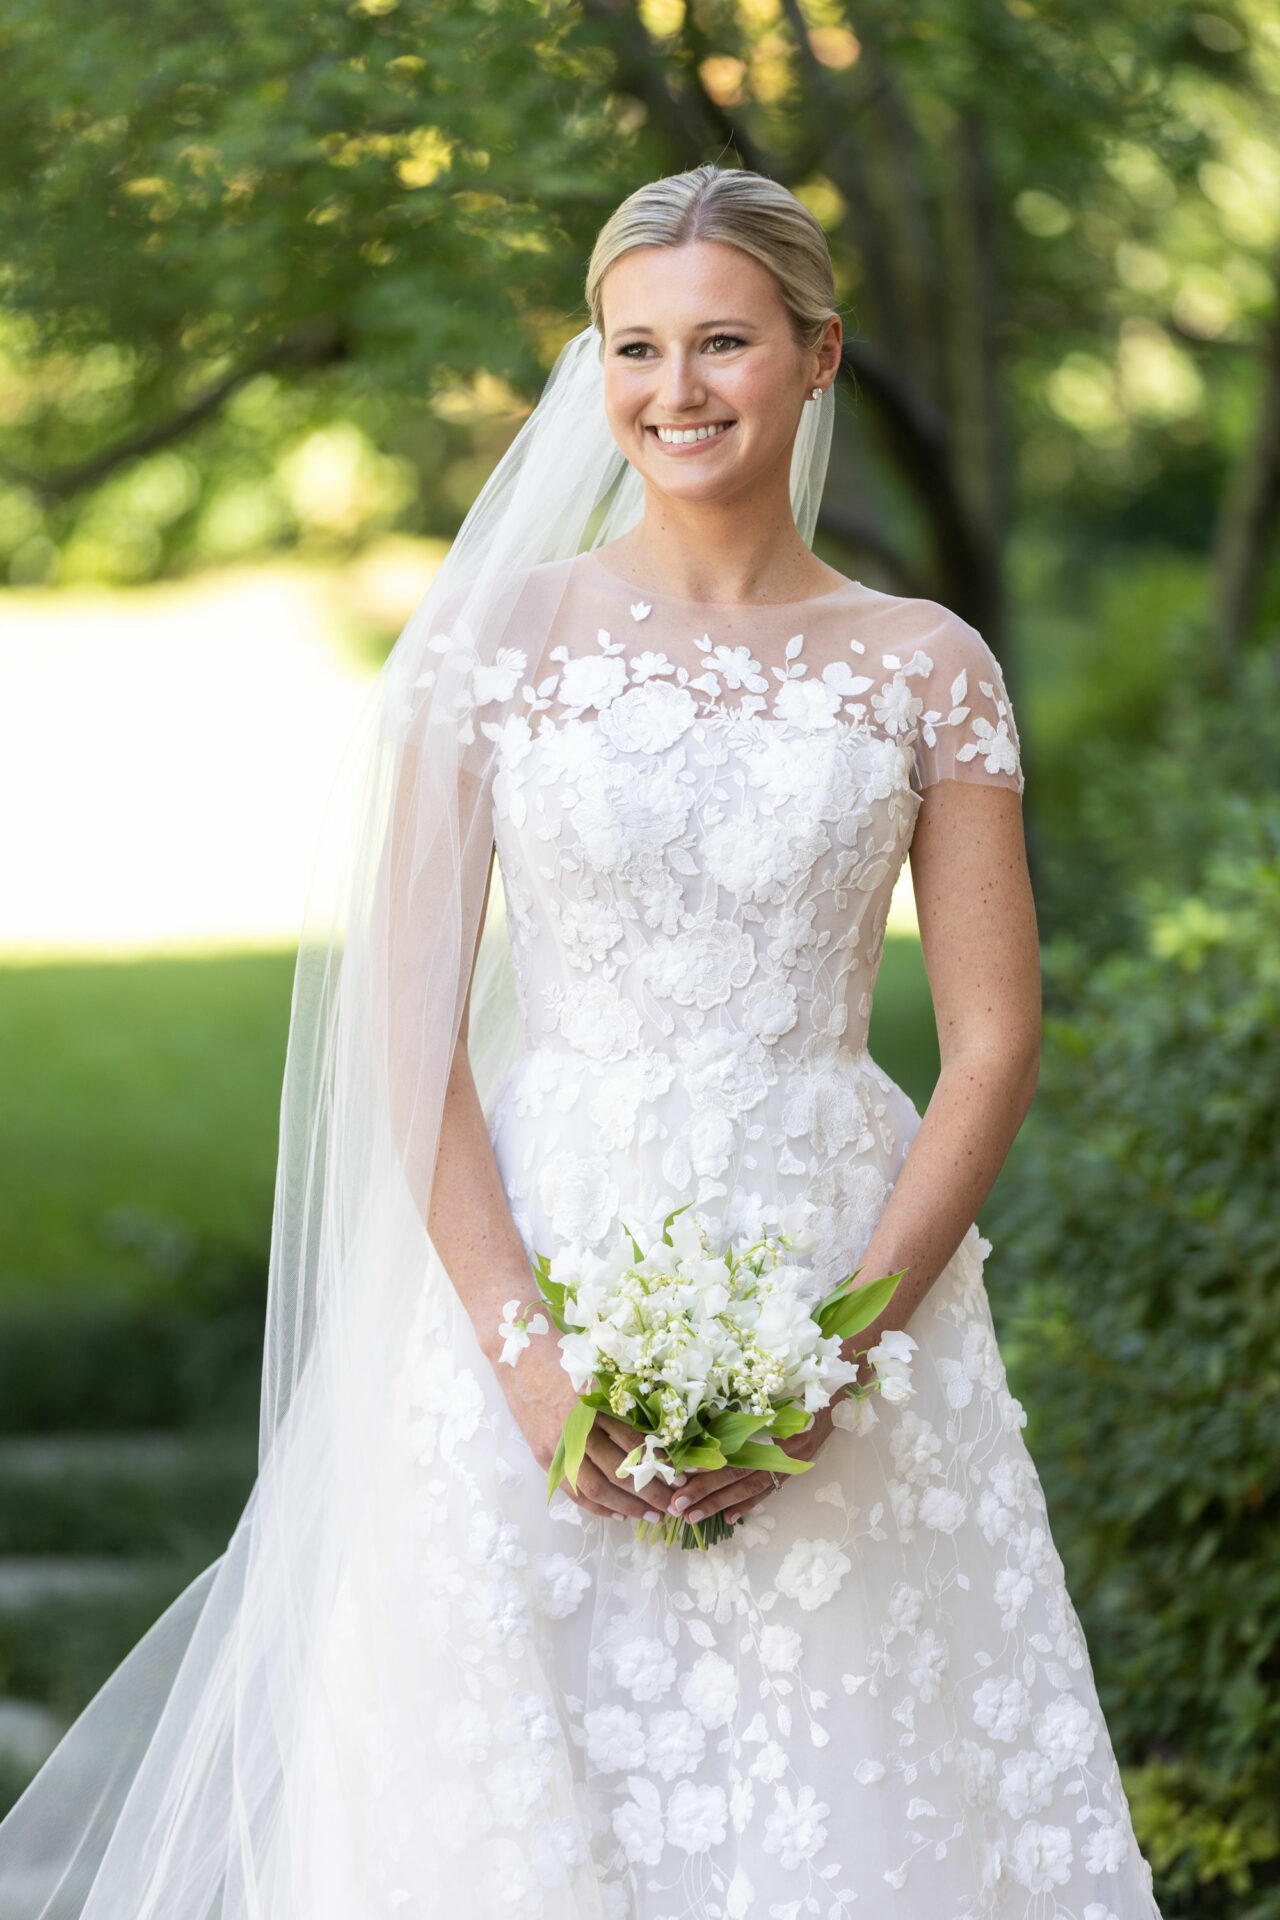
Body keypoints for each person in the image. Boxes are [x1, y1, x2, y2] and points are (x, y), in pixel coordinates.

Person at [0, 164, 1160, 1920]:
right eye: (638, 346)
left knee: (838, 1786)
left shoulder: (925, 667)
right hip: (529, 1271)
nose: (677, 390)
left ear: (817, 355)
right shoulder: (495, 643)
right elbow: (408, 1022)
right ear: (593, 366)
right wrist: (526, 1357)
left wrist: (840, 1358)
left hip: (839, 1262)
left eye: (724, 343)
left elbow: (994, 1043)